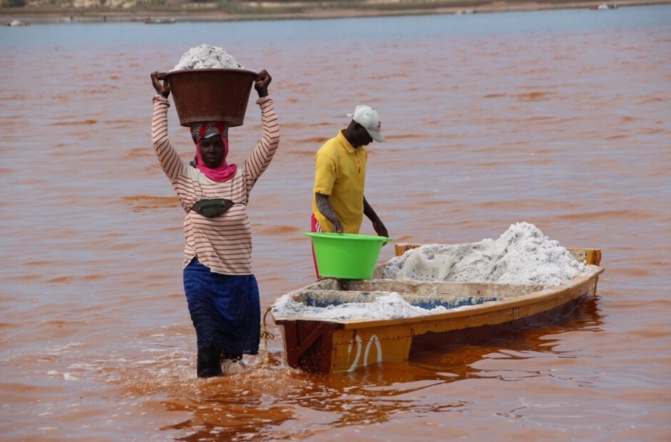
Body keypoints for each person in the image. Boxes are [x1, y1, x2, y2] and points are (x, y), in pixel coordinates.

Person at [150, 69, 280, 377]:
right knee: (207, 346)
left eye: (217, 143)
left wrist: (263, 95)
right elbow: (158, 142)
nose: (211, 150)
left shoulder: (243, 178)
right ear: (197, 147)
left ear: (226, 144)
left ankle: (225, 418)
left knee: (234, 362)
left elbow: (272, 139)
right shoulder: (185, 178)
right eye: (205, 145)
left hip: (238, 278)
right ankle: (206, 408)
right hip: (202, 275)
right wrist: (162, 98)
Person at [310, 105, 389, 277]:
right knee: (329, 277)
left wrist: (376, 220)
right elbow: (321, 198)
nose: (371, 141)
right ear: (357, 127)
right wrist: (335, 222)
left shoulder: (361, 152)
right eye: (369, 136)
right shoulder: (328, 154)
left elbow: (356, 192)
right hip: (329, 229)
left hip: (350, 231)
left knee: (348, 278)